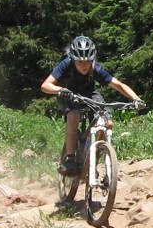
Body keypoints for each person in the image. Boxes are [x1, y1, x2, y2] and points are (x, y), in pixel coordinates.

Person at [38, 35, 143, 176]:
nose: (84, 65)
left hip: (89, 93)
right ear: (73, 59)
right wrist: (61, 90)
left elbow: (118, 85)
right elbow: (45, 85)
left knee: (108, 123)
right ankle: (70, 157)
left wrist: (135, 98)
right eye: (80, 62)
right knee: (74, 116)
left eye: (87, 61)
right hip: (68, 93)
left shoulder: (95, 68)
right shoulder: (66, 65)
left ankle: (93, 158)